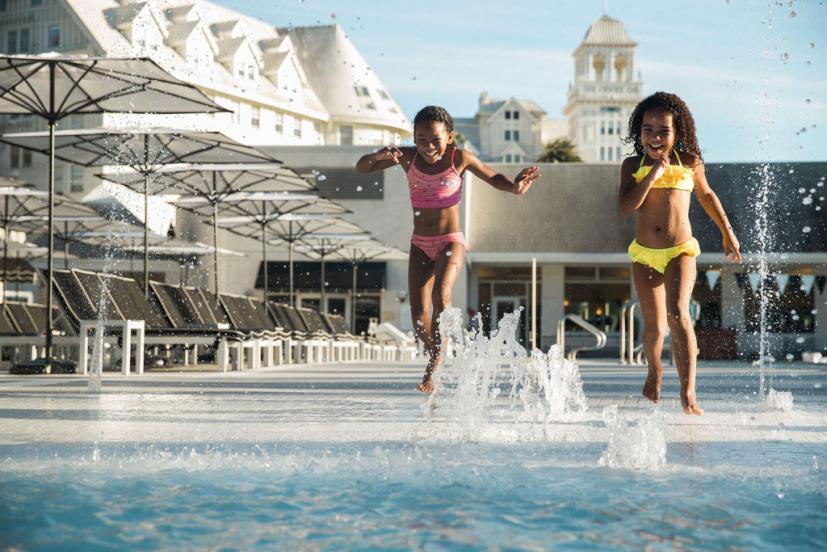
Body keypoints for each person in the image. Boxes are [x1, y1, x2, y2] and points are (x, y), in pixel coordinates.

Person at [356, 106, 540, 392]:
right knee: (418, 312)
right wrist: (381, 155)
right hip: (419, 243)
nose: (428, 147)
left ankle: (435, 364)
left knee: (441, 296)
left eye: (435, 140)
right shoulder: (407, 157)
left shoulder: (460, 158)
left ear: (450, 137)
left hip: (450, 241)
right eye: (421, 140)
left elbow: (494, 178)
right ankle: (435, 351)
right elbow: (362, 168)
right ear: (413, 139)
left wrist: (515, 187)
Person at [618, 92, 741, 415]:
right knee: (655, 327)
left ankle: (688, 394)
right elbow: (625, 208)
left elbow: (707, 196)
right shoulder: (633, 165)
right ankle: (655, 370)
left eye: (664, 131)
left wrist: (727, 232)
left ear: (677, 133)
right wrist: (652, 176)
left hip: (680, 250)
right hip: (644, 254)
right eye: (648, 130)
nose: (655, 137)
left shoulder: (690, 162)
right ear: (638, 131)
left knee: (677, 312)